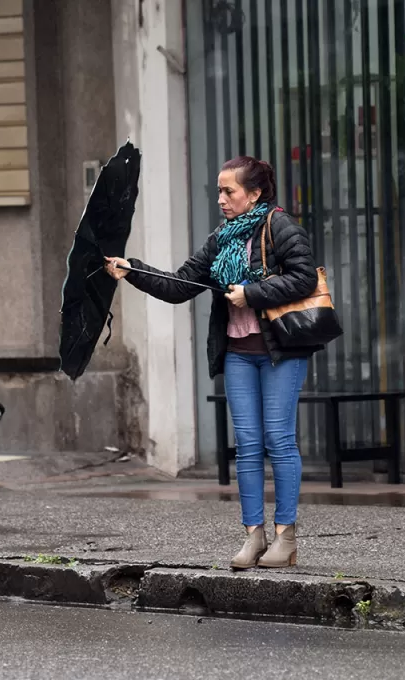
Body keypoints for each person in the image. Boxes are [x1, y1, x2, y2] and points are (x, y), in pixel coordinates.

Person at [104, 156, 321, 570]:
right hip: (238, 353)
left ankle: (286, 537)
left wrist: (252, 293)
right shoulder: (221, 237)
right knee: (249, 444)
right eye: (218, 191)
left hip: (280, 352)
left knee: (279, 440)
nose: (220, 199)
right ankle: (253, 536)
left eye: (229, 191)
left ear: (254, 194)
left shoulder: (280, 226)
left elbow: (304, 277)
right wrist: (133, 270)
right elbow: (179, 285)